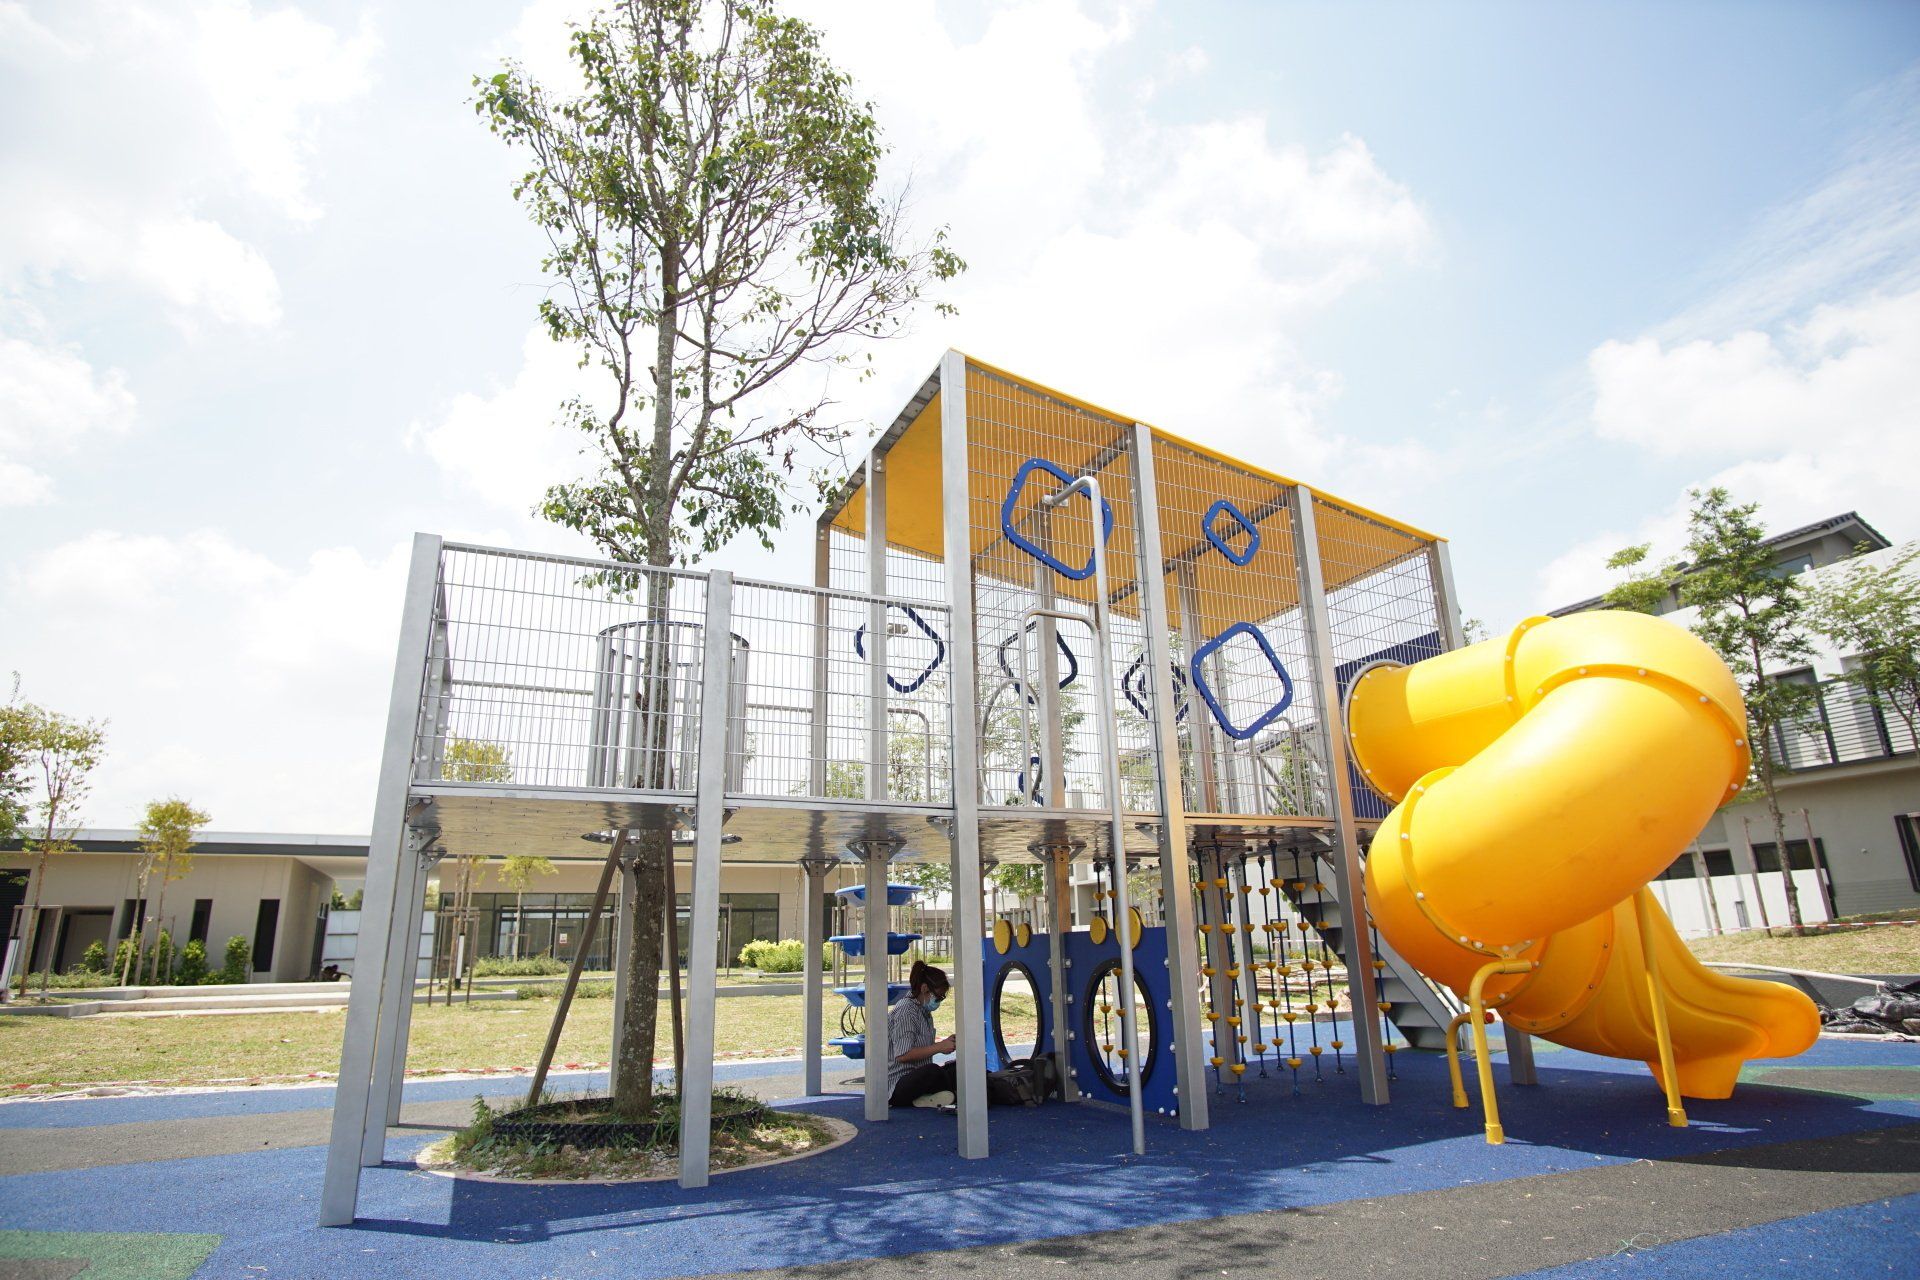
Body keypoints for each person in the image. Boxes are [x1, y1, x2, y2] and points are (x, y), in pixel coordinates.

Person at [888, 959, 956, 1108]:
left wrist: (945, 1044)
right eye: (938, 997)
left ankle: (932, 1097)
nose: (939, 1001)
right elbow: (903, 1055)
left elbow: (922, 1048)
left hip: (915, 1076)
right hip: (896, 1085)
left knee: (955, 1068)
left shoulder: (923, 1011)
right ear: (924, 989)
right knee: (933, 1072)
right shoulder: (906, 1011)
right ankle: (943, 1095)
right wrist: (939, 1047)